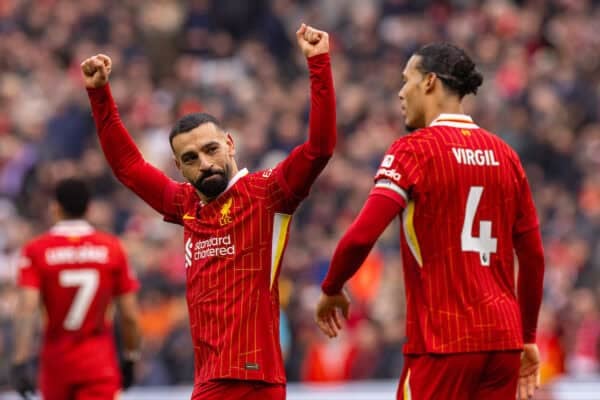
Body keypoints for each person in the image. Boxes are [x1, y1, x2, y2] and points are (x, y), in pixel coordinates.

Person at [80, 23, 336, 400]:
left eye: (211, 149)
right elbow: (129, 168)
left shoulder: (267, 192)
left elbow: (320, 148)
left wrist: (319, 64)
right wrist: (99, 93)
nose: (204, 163)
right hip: (220, 378)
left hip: (246, 377)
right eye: (191, 158)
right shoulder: (185, 206)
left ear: (230, 145)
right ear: (179, 166)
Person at [315, 43, 545, 400]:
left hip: (444, 340)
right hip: (502, 343)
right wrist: (527, 336)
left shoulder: (413, 150)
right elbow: (532, 257)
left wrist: (331, 288)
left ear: (429, 82)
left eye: (406, 80)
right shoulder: (506, 156)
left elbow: (362, 236)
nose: (399, 91)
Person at [11, 177, 141, 400]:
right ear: (89, 208)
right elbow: (129, 315)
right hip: (98, 361)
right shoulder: (111, 249)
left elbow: (27, 309)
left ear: (55, 207)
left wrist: (20, 360)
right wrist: (130, 356)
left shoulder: (36, 250)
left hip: (56, 362)